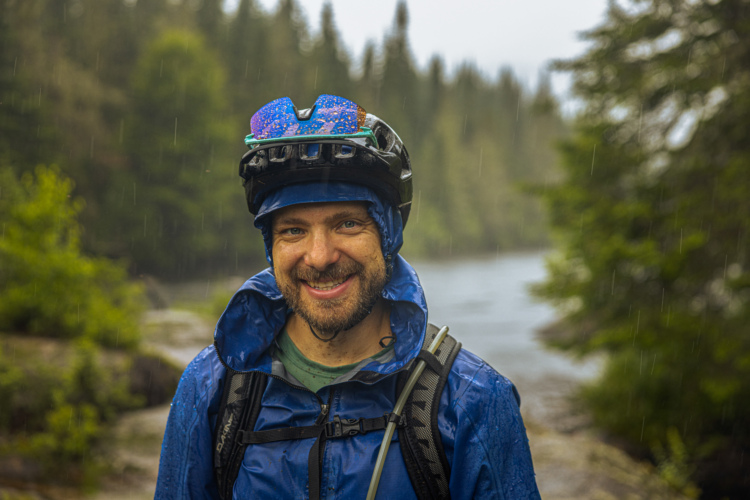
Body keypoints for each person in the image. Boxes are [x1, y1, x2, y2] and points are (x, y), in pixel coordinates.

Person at [155, 94, 541, 499]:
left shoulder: (471, 402)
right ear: (271, 247)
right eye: (293, 230)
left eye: (348, 223)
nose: (319, 257)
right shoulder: (210, 388)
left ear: (387, 237)